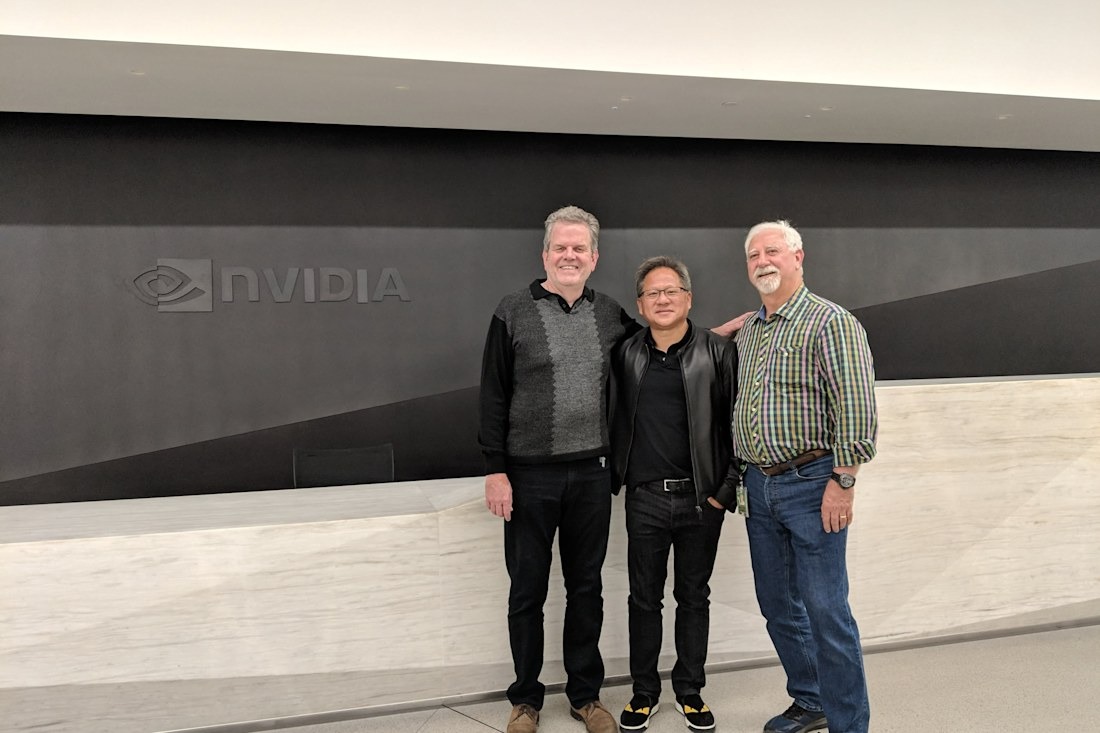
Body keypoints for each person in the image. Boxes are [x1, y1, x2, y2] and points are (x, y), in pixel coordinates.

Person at [479, 205, 635, 733]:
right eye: (560, 248)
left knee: (585, 587)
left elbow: (662, 343)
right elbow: (493, 396)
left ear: (594, 258)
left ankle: (585, 697)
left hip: (591, 474)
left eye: (579, 248)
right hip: (527, 477)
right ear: (545, 254)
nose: (570, 256)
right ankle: (525, 700)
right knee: (527, 591)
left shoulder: (611, 313)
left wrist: (715, 337)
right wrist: (495, 469)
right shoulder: (512, 311)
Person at [733, 220, 878, 733]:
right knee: (777, 606)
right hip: (759, 487)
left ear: (798, 256)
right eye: (753, 255)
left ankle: (848, 724)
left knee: (825, 610)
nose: (762, 261)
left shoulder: (830, 322)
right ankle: (811, 699)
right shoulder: (751, 330)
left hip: (813, 483)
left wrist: (843, 482)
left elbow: (857, 408)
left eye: (773, 250)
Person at [610, 256, 739, 732]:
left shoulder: (718, 351)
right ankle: (644, 692)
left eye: (671, 291)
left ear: (688, 298)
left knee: (693, 596)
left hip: (702, 500)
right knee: (643, 599)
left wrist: (724, 491)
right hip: (643, 498)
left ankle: (690, 690)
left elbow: (735, 426)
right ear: (640, 304)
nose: (662, 300)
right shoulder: (625, 354)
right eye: (651, 294)